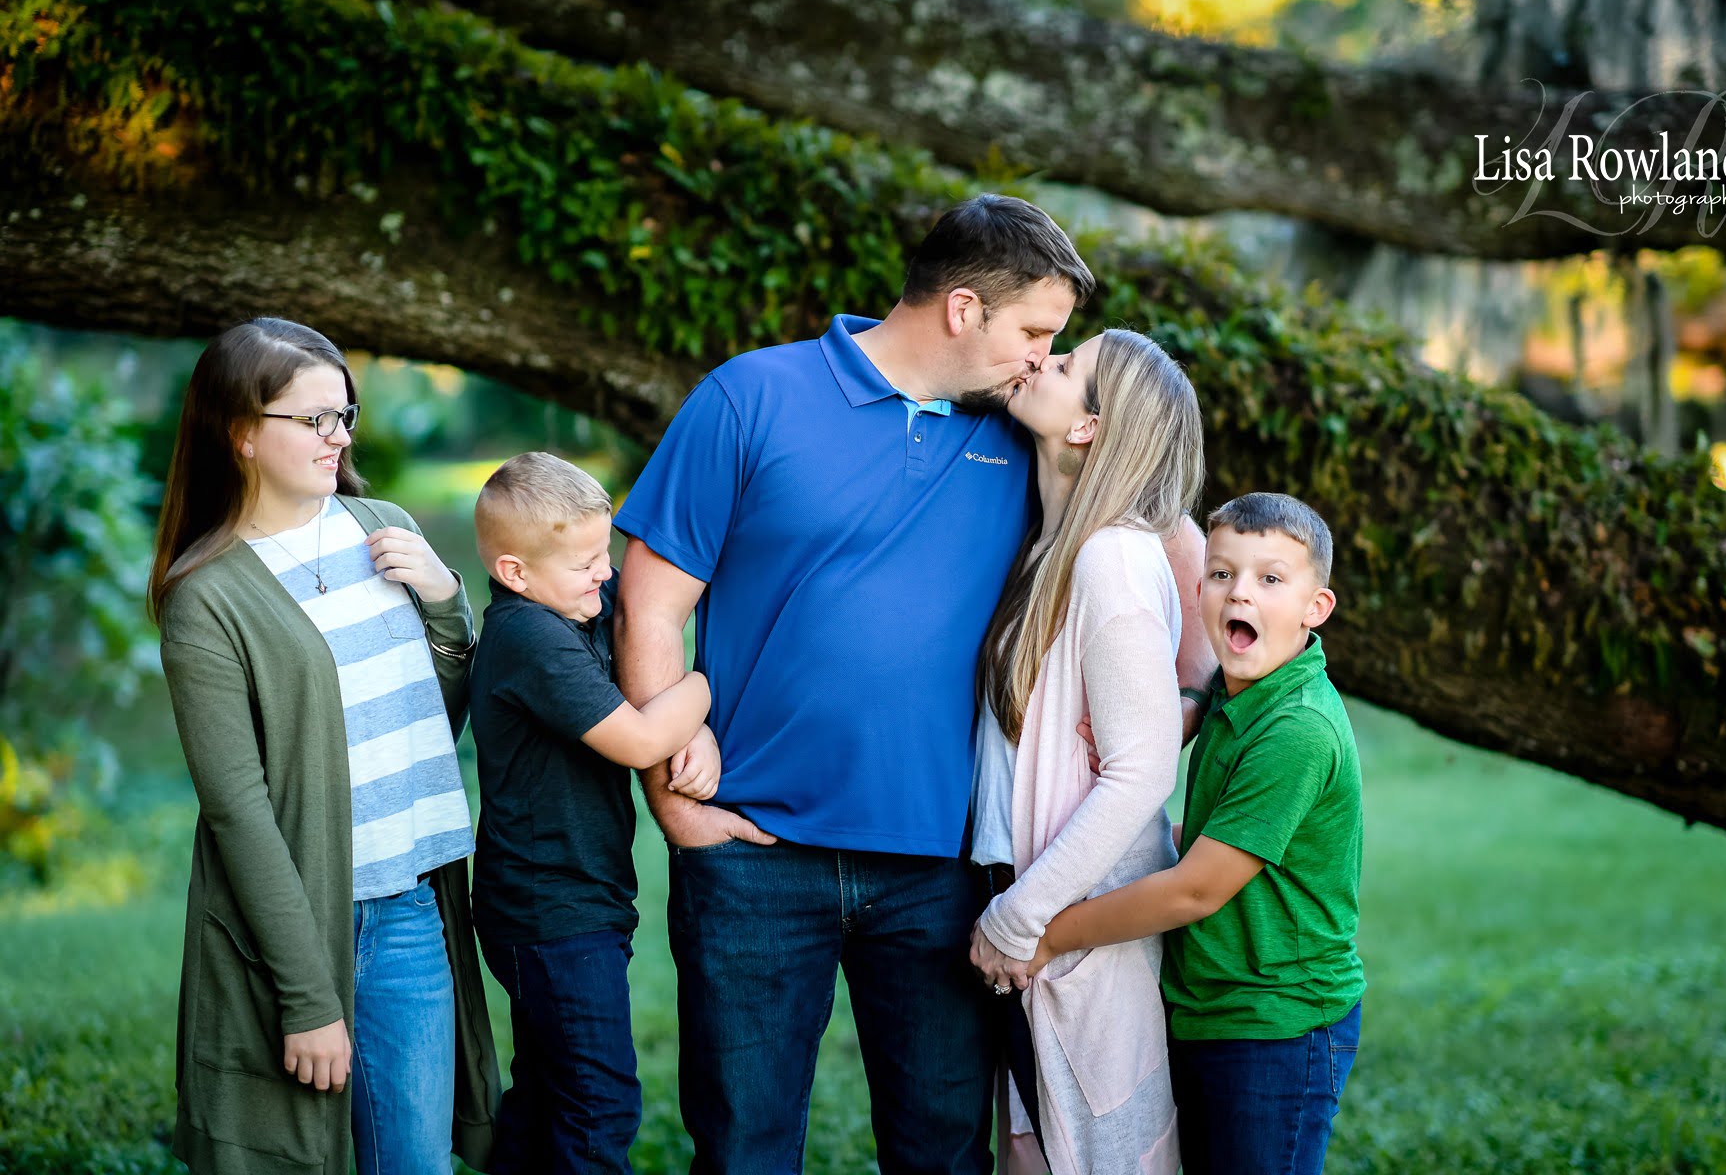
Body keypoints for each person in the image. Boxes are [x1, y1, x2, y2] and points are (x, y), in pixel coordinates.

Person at [611, 193, 1094, 1172]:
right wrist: (671, 794)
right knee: (743, 1153)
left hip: (940, 863)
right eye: (1035, 332)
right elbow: (648, 607)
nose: (1044, 359)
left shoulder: (1022, 438)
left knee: (942, 1155)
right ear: (964, 309)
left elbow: (1146, 523)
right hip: (752, 850)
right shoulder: (751, 397)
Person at [148, 318, 499, 1175]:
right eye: (313, 419)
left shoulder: (385, 529)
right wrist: (308, 997)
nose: (339, 436)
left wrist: (446, 601)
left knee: (416, 1164)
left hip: (409, 905)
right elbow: (238, 810)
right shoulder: (208, 598)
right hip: (303, 920)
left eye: (344, 415)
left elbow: (432, 724)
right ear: (241, 433)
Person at [1025, 492, 1365, 1175]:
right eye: (1222, 573)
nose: (1240, 592)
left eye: (1271, 579)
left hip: (1277, 1023)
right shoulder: (1239, 689)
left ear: (1316, 607)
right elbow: (1212, 833)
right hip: (1211, 1007)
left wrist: (1047, 935)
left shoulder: (1296, 729)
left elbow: (1194, 891)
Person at [965, 329, 1207, 1174]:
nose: (1044, 358)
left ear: (1088, 428)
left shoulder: (1113, 558)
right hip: (1025, 900)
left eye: (1067, 366)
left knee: (1097, 1156)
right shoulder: (1052, 544)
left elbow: (1142, 771)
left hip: (1074, 919)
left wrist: (1020, 916)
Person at [467, 452, 714, 1174]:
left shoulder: (569, 610)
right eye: (584, 565)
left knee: (548, 1096)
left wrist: (686, 722)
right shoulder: (530, 637)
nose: (605, 575)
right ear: (515, 572)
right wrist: (704, 686)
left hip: (573, 903)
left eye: (605, 553)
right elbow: (639, 740)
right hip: (551, 912)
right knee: (597, 1107)